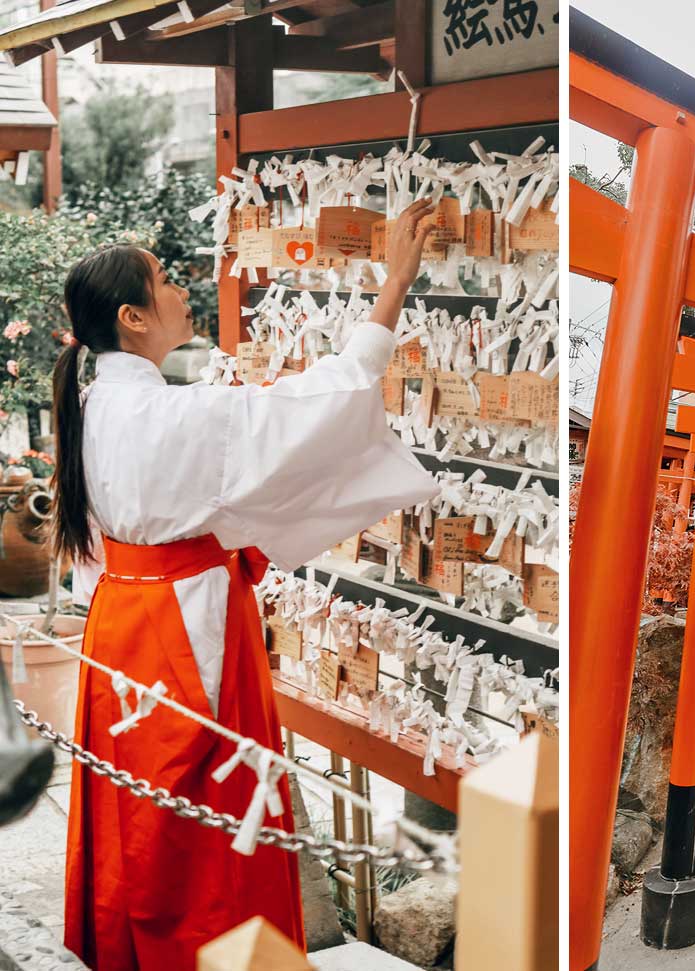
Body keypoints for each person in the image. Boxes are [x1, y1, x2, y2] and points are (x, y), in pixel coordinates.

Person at [55, 200, 444, 969]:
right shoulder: (168, 415)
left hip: (123, 625)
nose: (179, 291)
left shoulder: (94, 403)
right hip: (183, 632)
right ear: (133, 318)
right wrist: (395, 282)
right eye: (162, 282)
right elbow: (320, 405)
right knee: (205, 830)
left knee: (147, 821)